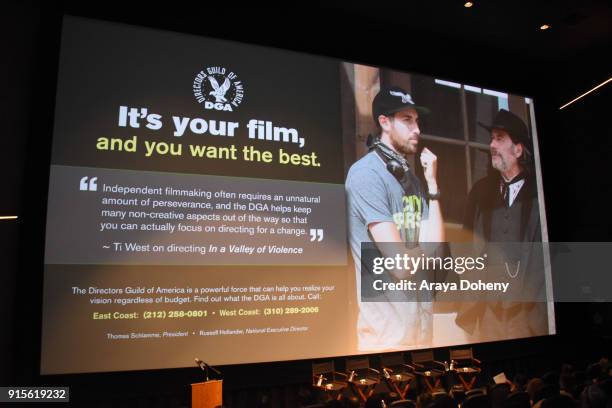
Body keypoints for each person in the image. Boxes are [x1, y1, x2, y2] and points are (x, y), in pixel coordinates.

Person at [346, 85, 445, 351]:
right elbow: (400, 266)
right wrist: (421, 251)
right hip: (385, 342)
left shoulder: (413, 181)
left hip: (422, 338)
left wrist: (432, 185)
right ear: (384, 122)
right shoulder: (366, 175)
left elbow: (437, 253)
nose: (417, 130)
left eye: (417, 120)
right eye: (407, 120)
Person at [457, 108, 547, 340]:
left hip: (529, 315)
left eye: (499, 139)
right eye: (492, 139)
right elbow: (466, 246)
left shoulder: (539, 193)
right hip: (488, 313)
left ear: (517, 149)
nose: (492, 145)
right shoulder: (480, 192)